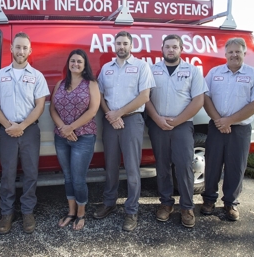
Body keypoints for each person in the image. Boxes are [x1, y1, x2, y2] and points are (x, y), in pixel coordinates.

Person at [0, 32, 50, 234]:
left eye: (24, 48)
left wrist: (21, 126)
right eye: (18, 47)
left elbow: (40, 106)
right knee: (8, 174)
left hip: (29, 130)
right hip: (6, 131)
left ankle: (27, 211)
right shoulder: (0, 75)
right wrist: (8, 125)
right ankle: (7, 213)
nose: (21, 51)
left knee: (31, 173)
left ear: (29, 51)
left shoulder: (36, 76)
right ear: (11, 49)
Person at [201, 37, 254, 221]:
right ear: (225, 54)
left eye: (238, 51)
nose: (234, 55)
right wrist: (218, 121)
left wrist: (229, 121)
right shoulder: (215, 73)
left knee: (236, 168)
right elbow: (204, 97)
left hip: (240, 129)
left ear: (244, 53)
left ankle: (230, 203)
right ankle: (208, 200)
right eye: (230, 52)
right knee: (212, 165)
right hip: (216, 127)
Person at [94, 31, 155, 231]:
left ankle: (131, 210)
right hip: (111, 122)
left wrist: (119, 113)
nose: (121, 46)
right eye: (118, 43)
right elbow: (100, 95)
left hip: (132, 120)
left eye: (125, 43)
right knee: (110, 166)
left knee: (131, 168)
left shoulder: (141, 66)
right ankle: (109, 203)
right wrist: (110, 115)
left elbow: (144, 96)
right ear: (114, 45)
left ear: (131, 45)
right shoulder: (106, 68)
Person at [145, 34, 208, 228]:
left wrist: (177, 121)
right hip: (158, 125)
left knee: (184, 166)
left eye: (175, 47)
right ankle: (166, 204)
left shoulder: (192, 71)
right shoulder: (152, 70)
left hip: (182, 126)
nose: (171, 50)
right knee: (162, 166)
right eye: (167, 47)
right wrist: (157, 119)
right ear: (162, 49)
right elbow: (145, 97)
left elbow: (198, 100)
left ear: (181, 49)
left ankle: (187, 207)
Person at [49, 49, 100, 231]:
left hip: (84, 137)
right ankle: (71, 212)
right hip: (62, 137)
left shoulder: (91, 84)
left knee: (78, 179)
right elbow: (52, 109)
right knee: (68, 177)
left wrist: (72, 127)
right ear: (68, 63)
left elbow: (93, 110)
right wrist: (64, 128)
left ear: (85, 65)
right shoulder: (60, 84)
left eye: (79, 61)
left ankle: (81, 213)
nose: (76, 64)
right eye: (73, 61)